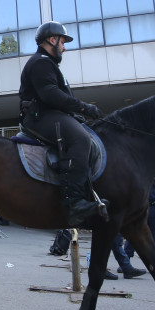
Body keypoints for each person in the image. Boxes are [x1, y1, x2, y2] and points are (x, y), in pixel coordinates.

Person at [19, 21, 105, 227]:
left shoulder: (48, 63)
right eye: (63, 42)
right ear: (52, 40)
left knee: (84, 131)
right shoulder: (41, 62)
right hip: (41, 117)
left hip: (51, 114)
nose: (64, 47)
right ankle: (74, 203)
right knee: (81, 139)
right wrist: (84, 107)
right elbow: (50, 95)